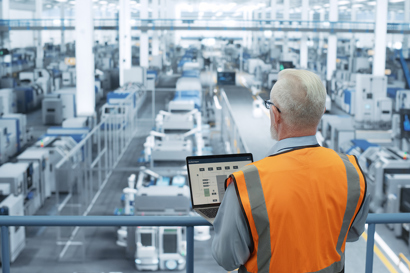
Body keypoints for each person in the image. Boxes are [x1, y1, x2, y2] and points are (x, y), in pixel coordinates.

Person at [211, 69, 369, 273]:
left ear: (275, 115)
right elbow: (353, 232)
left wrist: (226, 217)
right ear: (321, 113)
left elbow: (227, 258)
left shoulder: (246, 183)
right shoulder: (352, 172)